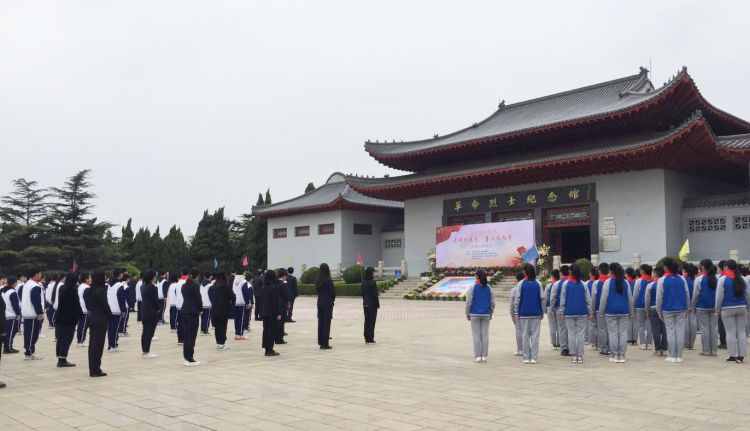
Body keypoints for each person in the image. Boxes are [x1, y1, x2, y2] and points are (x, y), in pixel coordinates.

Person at [656, 257, 690, 363]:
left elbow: (659, 297)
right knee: (680, 332)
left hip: (667, 309)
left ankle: (672, 355)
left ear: (666, 267)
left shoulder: (662, 280)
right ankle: (679, 356)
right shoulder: (682, 279)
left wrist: (659, 310)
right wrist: (687, 308)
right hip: (681, 308)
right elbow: (687, 295)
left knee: (670, 332)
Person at [715, 259, 750, 363]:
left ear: (726, 267)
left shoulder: (723, 279)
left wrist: (717, 309)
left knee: (730, 332)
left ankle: (732, 356)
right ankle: (741, 356)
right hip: (742, 307)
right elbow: (748, 295)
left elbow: (719, 296)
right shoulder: (743, 279)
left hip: (727, 308)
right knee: (741, 331)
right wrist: (748, 308)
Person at [598, 263, 633, 363]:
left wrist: (601, 312)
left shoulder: (608, 282)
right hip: (624, 311)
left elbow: (604, 299)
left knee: (613, 334)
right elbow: (630, 298)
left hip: (610, 311)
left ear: (611, 271)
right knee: (622, 334)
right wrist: (631, 311)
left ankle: (615, 355)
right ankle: (622, 355)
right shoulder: (625, 282)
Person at [559, 264, 592, 363]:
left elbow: (563, 300)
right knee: (581, 334)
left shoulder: (566, 284)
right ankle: (580, 355)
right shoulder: (583, 284)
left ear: (570, 272)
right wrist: (589, 311)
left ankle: (574, 355)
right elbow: (588, 300)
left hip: (569, 312)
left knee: (571, 333)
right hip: (582, 312)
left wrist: (562, 311)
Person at [514, 263, 544, 364]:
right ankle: (534, 357)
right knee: (535, 336)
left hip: (524, 313)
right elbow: (542, 299)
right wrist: (542, 311)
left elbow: (517, 299)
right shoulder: (538, 284)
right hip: (536, 313)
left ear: (525, 272)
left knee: (525, 336)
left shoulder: (521, 284)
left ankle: (526, 357)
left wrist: (516, 311)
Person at [55, 271, 83, 367]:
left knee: (61, 338)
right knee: (67, 338)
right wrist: (80, 314)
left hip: (60, 316)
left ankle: (60, 357)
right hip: (69, 318)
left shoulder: (62, 287)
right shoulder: (73, 289)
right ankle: (63, 359)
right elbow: (76, 303)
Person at [466, 269, 494, 362]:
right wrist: (491, 313)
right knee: (485, 335)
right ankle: (484, 355)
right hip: (486, 314)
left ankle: (478, 356)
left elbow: (468, 302)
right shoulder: (489, 287)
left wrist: (467, 313)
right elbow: (492, 302)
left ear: (477, 276)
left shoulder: (472, 287)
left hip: (474, 313)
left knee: (476, 335)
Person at [692, 259, 719, 356]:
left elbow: (696, 295)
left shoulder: (699, 279)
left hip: (702, 306)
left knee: (704, 329)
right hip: (714, 307)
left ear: (702, 267)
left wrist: (693, 306)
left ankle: (706, 350)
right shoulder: (716, 279)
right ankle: (714, 350)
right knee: (714, 328)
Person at [87, 270, 111, 377]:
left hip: (92, 318)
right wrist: (110, 316)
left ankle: (92, 368)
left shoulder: (91, 289)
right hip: (100, 319)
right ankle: (96, 369)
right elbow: (105, 305)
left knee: (92, 344)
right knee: (98, 345)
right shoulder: (100, 290)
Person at [21, 268, 45, 360]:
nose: (40, 275)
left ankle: (30, 351)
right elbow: (36, 301)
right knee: (32, 334)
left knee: (28, 334)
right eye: (40, 273)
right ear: (36, 274)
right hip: (33, 314)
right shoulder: (35, 286)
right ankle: (29, 352)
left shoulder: (27, 284)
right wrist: (39, 313)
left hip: (27, 313)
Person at [180, 268, 202, 366]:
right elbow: (198, 299)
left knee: (187, 335)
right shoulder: (194, 286)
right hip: (193, 312)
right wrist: (200, 309)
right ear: (196, 276)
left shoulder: (184, 286)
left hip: (185, 310)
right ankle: (190, 357)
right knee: (192, 336)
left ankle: (186, 356)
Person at [260, 270, 284, 356]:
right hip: (272, 312)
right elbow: (275, 302)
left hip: (265, 312)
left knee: (266, 330)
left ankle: (267, 348)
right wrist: (278, 313)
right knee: (271, 331)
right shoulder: (274, 288)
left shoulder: (263, 287)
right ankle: (270, 349)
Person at [549, 265, 571, 356]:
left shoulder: (556, 284)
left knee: (562, 329)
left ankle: (564, 348)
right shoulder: (572, 282)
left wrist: (552, 308)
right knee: (570, 329)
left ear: (560, 273)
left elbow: (552, 298)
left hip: (559, 308)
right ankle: (571, 347)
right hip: (570, 309)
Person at [645, 267, 667, 356]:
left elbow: (647, 299)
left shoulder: (650, 285)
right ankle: (665, 349)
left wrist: (647, 310)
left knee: (655, 330)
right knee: (665, 330)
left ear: (655, 274)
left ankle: (658, 349)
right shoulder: (666, 284)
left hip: (653, 309)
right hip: (665, 309)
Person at [210, 272, 235, 351]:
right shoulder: (226, 286)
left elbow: (211, 296)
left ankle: (218, 343)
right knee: (223, 326)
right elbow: (232, 296)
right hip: (224, 309)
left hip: (215, 309)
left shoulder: (214, 286)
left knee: (217, 327)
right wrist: (233, 304)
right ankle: (222, 343)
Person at [591, 263, 610, 356]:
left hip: (599, 309)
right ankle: (611, 348)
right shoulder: (611, 281)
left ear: (599, 271)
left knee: (602, 329)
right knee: (611, 330)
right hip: (610, 310)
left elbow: (594, 297)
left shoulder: (596, 283)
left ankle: (604, 349)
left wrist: (592, 310)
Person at [140, 270, 161, 359]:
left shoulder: (142, 286)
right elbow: (155, 300)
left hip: (144, 311)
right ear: (152, 277)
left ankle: (144, 351)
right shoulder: (153, 287)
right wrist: (158, 309)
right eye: (155, 277)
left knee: (145, 332)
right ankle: (146, 352)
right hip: (152, 312)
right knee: (149, 332)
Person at [632, 264, 653, 350]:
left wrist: (632, 305)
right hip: (650, 306)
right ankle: (649, 342)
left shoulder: (639, 281)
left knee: (640, 325)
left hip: (640, 306)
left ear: (643, 271)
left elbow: (635, 295)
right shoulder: (652, 281)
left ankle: (643, 344)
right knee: (649, 325)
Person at [106, 269, 127, 352]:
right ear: (120, 275)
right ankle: (113, 346)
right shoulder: (119, 285)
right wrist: (123, 310)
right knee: (115, 329)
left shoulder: (109, 284)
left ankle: (110, 345)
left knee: (110, 328)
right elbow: (121, 299)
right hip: (116, 309)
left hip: (109, 309)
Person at [316, 263, 335, 350]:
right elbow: (332, 292)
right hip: (327, 302)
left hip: (320, 301)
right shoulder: (328, 280)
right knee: (326, 323)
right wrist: (332, 300)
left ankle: (321, 342)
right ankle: (325, 343)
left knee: (321, 322)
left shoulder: (318, 280)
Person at [2, 276, 21, 354]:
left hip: (4, 315)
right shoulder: (12, 292)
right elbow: (15, 305)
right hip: (11, 315)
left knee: (6, 331)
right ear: (14, 283)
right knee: (12, 331)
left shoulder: (2, 290)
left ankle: (7, 346)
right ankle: (8, 348)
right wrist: (18, 314)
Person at [362, 266, 380, 344]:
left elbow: (363, 294)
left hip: (365, 304)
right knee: (372, 321)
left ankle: (366, 337)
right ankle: (370, 338)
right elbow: (375, 295)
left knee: (367, 321)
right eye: (373, 272)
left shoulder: (363, 282)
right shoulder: (373, 282)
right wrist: (377, 304)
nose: (374, 274)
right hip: (372, 305)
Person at [232, 272, 252, 341]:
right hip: (242, 302)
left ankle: (237, 333)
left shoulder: (234, 280)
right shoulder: (243, 281)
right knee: (241, 319)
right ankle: (240, 334)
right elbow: (245, 292)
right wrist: (247, 303)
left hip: (235, 302)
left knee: (236, 319)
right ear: (243, 273)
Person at [682, 263, 698, 350]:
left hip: (685, 304)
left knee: (685, 324)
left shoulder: (683, 279)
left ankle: (685, 343)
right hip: (695, 304)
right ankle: (691, 344)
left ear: (684, 270)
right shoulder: (696, 279)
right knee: (693, 323)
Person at [543, 269, 559, 350]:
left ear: (552, 276)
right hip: (559, 308)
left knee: (552, 326)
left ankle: (554, 343)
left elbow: (545, 298)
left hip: (550, 307)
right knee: (560, 326)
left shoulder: (549, 286)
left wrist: (544, 309)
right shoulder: (560, 284)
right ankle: (560, 343)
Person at [509, 272, 525, 356]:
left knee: (519, 331)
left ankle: (520, 349)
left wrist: (512, 314)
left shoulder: (514, 289)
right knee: (526, 331)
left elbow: (512, 303)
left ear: (517, 280)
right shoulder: (527, 287)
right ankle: (526, 348)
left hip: (517, 312)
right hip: (526, 312)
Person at [76, 272, 91, 348]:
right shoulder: (86, 288)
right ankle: (81, 340)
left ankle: (80, 339)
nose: (91, 279)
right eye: (89, 277)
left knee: (80, 325)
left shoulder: (80, 286)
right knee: (83, 325)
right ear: (86, 279)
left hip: (79, 308)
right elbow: (87, 299)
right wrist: (89, 309)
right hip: (84, 309)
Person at [585, 267, 599, 345]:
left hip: (590, 306)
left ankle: (592, 341)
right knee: (601, 326)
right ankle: (599, 341)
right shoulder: (601, 282)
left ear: (591, 273)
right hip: (600, 306)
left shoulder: (587, 283)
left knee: (591, 325)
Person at [625, 267, 638, 345]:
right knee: (635, 322)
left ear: (627, 274)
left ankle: (629, 339)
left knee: (629, 322)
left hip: (628, 304)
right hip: (636, 304)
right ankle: (635, 339)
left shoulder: (626, 282)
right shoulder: (636, 282)